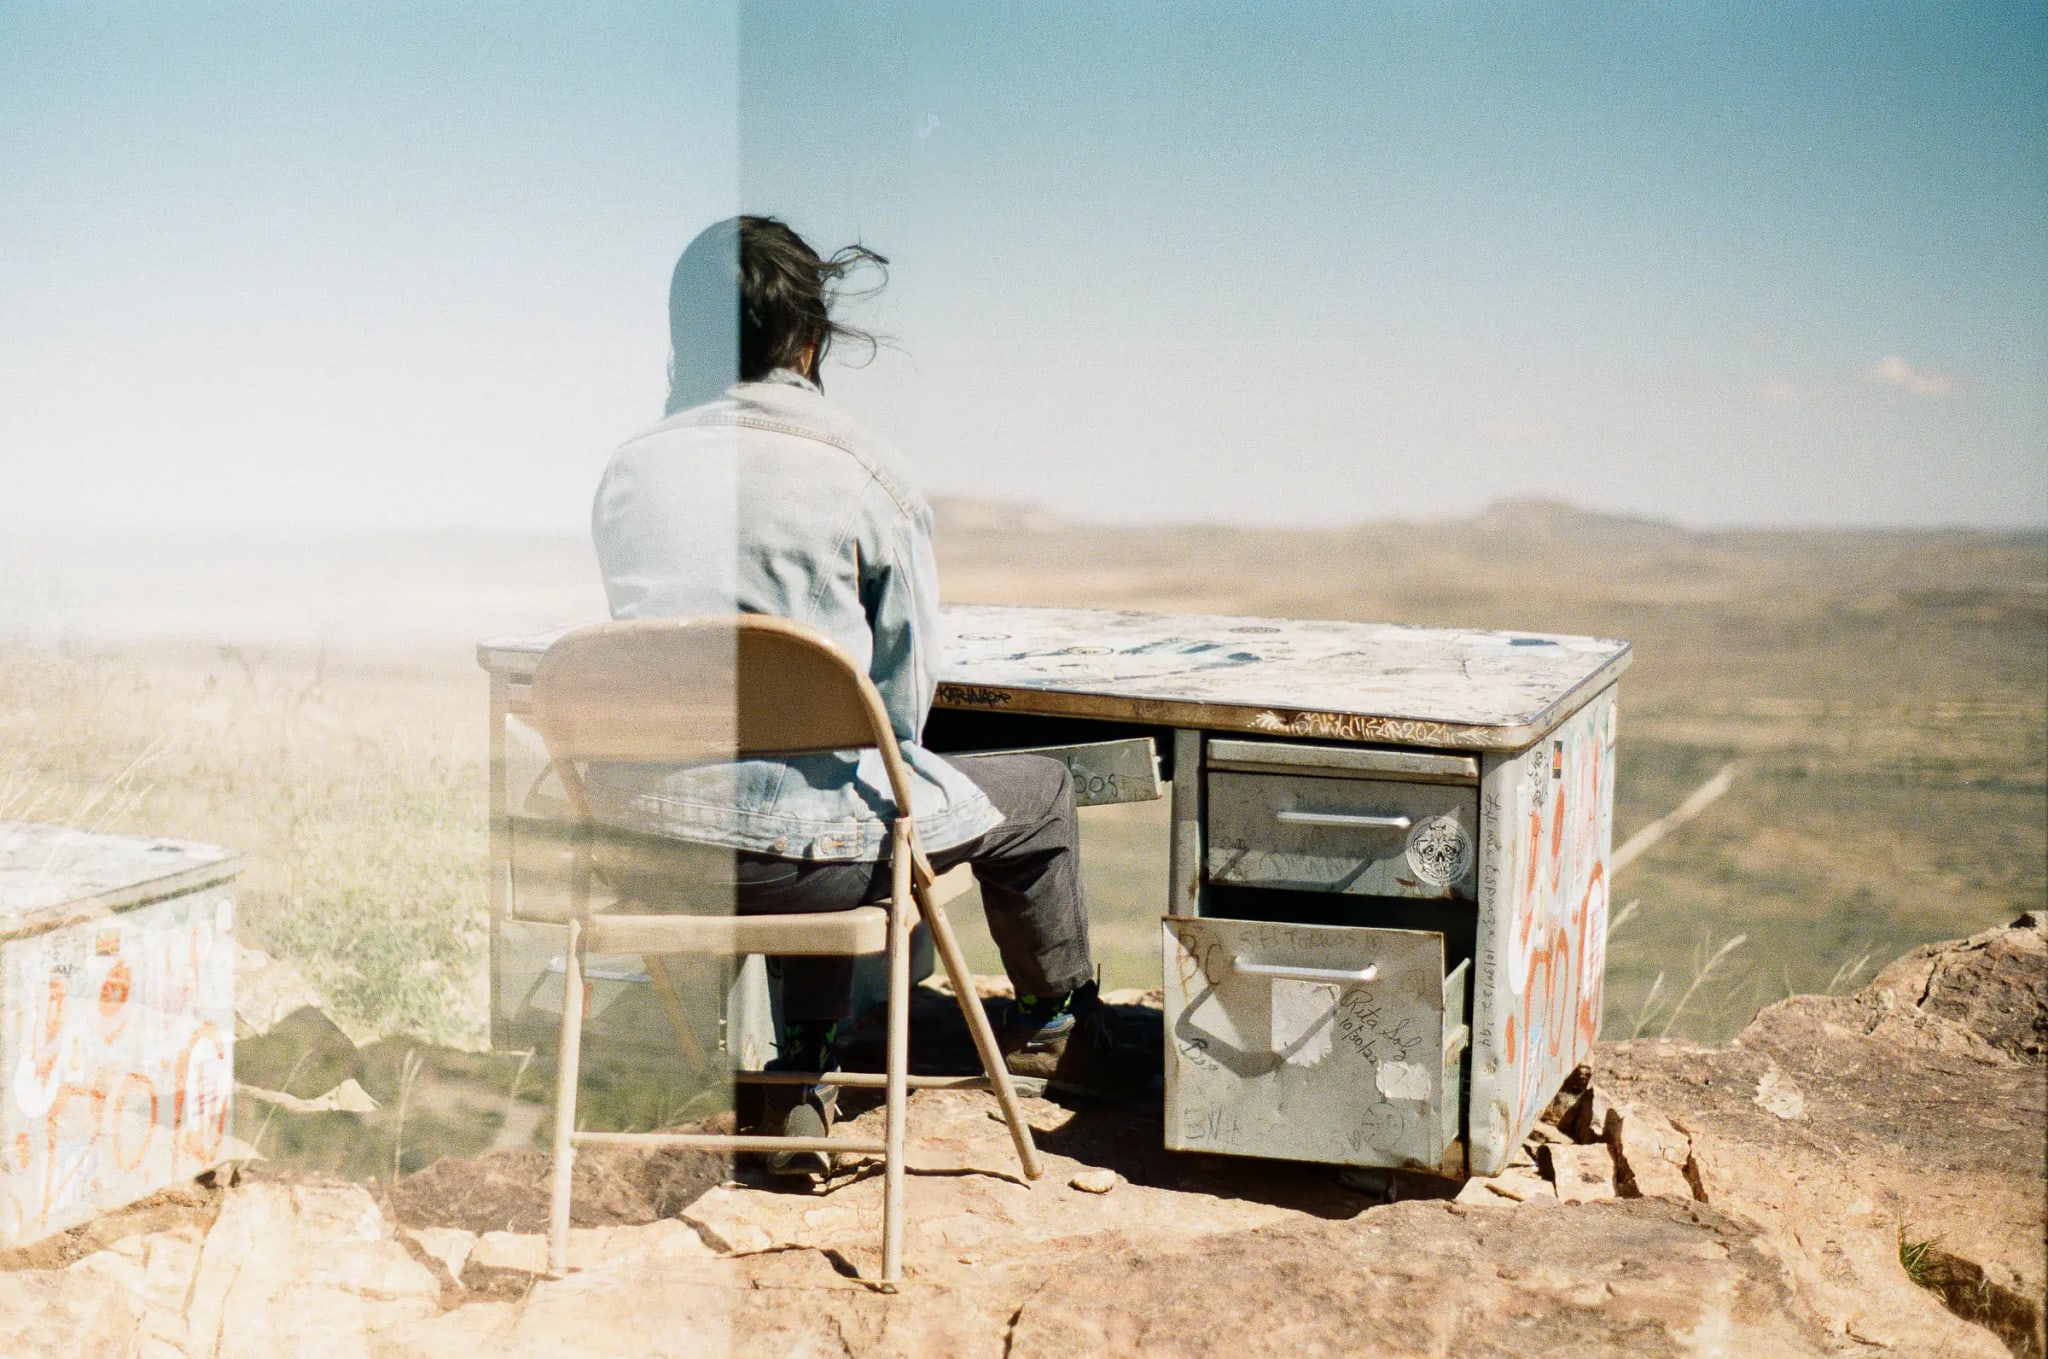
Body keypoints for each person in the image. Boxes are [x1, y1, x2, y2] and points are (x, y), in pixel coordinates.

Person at [585, 216, 1138, 1171]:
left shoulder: (631, 469)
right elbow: (900, 698)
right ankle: (1052, 1026)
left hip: (651, 843)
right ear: (810, 339)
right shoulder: (860, 471)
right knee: (1012, 792)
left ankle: (793, 1088)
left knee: (812, 788)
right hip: (810, 862)